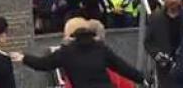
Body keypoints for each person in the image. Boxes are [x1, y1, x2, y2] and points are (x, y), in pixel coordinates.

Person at [13, 16, 146, 88]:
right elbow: (122, 67)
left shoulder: (66, 52)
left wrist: (24, 58)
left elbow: (42, 64)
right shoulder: (100, 48)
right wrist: (142, 78)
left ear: (70, 34)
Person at [144, 0, 183, 88]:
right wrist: (157, 54)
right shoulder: (155, 18)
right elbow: (148, 42)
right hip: (164, 67)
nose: (173, 0)